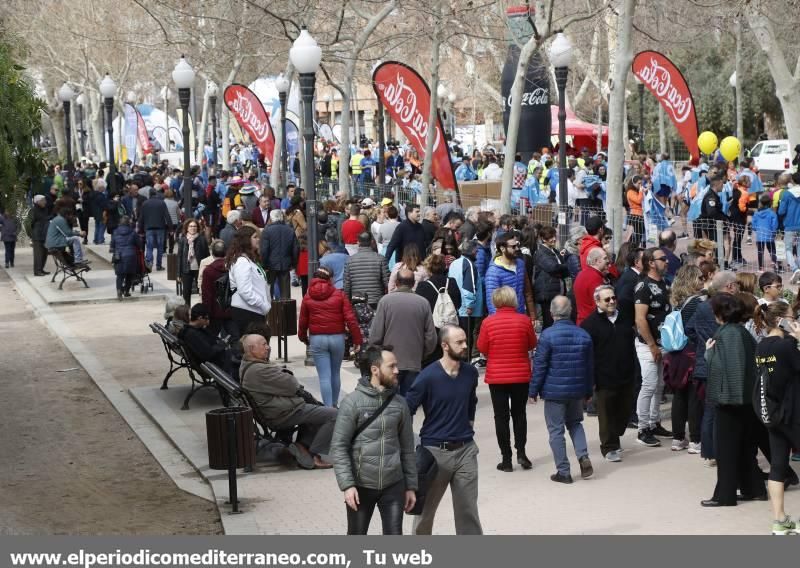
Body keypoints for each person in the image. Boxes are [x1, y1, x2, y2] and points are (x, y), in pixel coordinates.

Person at [330, 346, 418, 535]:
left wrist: (411, 486)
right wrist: (348, 485)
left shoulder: (400, 403)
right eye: (391, 366)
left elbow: (407, 449)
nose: (397, 371)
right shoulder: (352, 403)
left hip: (394, 484)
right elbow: (338, 447)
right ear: (374, 369)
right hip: (361, 485)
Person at [406, 325, 482, 535]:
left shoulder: (470, 373)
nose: (465, 346)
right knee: (425, 514)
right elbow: (406, 410)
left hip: (466, 450)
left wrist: (470, 422)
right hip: (434, 454)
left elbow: (471, 401)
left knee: (468, 511)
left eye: (465, 341)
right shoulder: (427, 377)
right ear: (444, 345)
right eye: (459, 342)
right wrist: (406, 447)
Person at [701, 294, 766, 507]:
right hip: (746, 400)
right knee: (746, 448)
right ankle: (754, 489)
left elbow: (725, 368)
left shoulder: (728, 334)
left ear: (720, 313)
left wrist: (709, 355)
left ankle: (725, 495)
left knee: (727, 450)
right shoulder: (741, 332)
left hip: (730, 400)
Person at [240, 333, 335, 470]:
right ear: (251, 349)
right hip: (283, 414)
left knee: (318, 410)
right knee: (334, 415)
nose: (268, 347)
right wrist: (284, 373)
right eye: (263, 344)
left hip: (278, 409)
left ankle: (302, 446)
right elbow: (292, 385)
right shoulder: (259, 370)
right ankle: (312, 454)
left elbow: (283, 386)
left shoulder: (248, 364)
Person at [529, 296, 594, 483]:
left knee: (556, 430)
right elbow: (590, 367)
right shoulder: (583, 334)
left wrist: (533, 390)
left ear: (551, 312)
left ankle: (564, 471)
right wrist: (588, 391)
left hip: (554, 391)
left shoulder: (547, 335)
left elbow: (540, 365)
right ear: (571, 311)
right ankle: (583, 456)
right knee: (575, 424)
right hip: (576, 389)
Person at [477, 286, 537, 471]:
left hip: (497, 377)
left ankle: (506, 458)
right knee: (519, 414)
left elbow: (482, 347)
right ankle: (522, 453)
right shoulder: (524, 320)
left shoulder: (488, 323)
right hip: (520, 375)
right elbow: (532, 343)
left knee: (500, 417)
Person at [754, 302, 800, 533]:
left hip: (772, 412)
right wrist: (797, 338)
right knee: (780, 465)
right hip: (792, 412)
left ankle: (779, 520)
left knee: (778, 466)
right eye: (794, 316)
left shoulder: (761, 346)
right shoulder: (787, 346)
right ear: (782, 319)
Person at [580, 285, 636, 462]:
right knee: (606, 414)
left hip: (626, 374)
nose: (612, 301)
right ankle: (609, 447)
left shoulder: (625, 318)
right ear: (597, 302)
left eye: (613, 298)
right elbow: (586, 354)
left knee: (624, 412)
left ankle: (616, 433)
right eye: (607, 299)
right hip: (604, 377)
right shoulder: (589, 324)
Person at [299, 267, 363, 407]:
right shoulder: (339, 294)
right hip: (337, 338)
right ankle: (334, 404)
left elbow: (303, 320)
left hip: (317, 339)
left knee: (324, 377)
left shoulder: (308, 296)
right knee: (335, 373)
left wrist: (303, 337)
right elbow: (350, 319)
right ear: (330, 279)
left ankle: (328, 408)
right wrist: (357, 339)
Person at [369, 268, 437, 396]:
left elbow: (376, 334)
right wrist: (423, 354)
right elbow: (431, 337)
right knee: (408, 404)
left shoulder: (385, 301)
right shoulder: (423, 303)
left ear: (396, 283)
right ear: (413, 283)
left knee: (390, 402)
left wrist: (376, 353)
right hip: (414, 361)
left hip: (389, 362)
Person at [634, 247, 673, 447]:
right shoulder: (644, 286)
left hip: (662, 342)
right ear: (651, 262)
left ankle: (654, 421)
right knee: (649, 385)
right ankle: (642, 428)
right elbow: (640, 319)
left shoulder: (664, 283)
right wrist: (651, 345)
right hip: (647, 344)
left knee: (659, 385)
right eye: (662, 259)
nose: (666, 261)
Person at [666, 265, 706, 453]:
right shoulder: (697, 303)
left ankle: (678, 437)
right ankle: (695, 439)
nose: (703, 280)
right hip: (691, 353)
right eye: (700, 278)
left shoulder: (677, 302)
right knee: (694, 396)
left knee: (679, 397)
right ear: (691, 280)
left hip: (675, 355)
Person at [416, 254, 462, 364]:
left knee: (434, 361)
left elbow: (420, 308)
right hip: (451, 326)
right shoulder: (452, 282)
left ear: (428, 267)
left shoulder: (423, 286)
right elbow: (458, 303)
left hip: (432, 328)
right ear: (444, 266)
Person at [226, 226, 270, 336]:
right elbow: (245, 291)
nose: (258, 239)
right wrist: (262, 304)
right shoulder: (242, 262)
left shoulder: (248, 259)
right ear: (246, 240)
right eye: (255, 237)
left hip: (254, 311)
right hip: (247, 312)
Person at [483, 232, 536, 319]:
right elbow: (492, 302)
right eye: (513, 247)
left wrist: (533, 316)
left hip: (520, 316)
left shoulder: (520, 264)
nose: (517, 248)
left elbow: (527, 292)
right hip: (504, 320)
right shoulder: (493, 272)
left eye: (517, 245)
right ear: (502, 249)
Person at [178, 303, 235, 377]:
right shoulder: (192, 334)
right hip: (213, 364)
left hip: (214, 360)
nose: (208, 322)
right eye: (207, 319)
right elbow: (208, 353)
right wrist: (222, 344)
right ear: (200, 318)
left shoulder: (195, 330)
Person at [200, 239, 237, 341]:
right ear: (226, 252)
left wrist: (206, 313)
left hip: (215, 312)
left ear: (212, 253)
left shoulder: (208, 270)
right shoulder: (233, 267)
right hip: (231, 310)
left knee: (210, 339)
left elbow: (207, 294)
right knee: (235, 337)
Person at [260, 209, 299, 300]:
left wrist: (264, 264)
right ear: (282, 217)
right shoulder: (290, 230)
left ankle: (270, 312)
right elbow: (296, 249)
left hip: (270, 265)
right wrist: (294, 263)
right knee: (285, 294)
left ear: (271, 218)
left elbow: (264, 250)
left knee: (269, 292)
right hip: (285, 264)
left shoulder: (267, 231)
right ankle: (285, 313)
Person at [343, 232, 390, 307]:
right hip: (377, 299)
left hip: (357, 300)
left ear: (358, 242)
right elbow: (387, 282)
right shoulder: (381, 259)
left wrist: (347, 302)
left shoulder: (350, 260)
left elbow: (347, 285)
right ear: (371, 241)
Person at [176, 219, 210, 306]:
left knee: (201, 291)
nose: (193, 228)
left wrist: (207, 270)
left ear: (197, 228)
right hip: (186, 269)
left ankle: (201, 312)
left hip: (199, 269)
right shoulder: (183, 240)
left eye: (195, 226)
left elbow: (207, 256)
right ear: (187, 228)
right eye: (191, 226)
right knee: (186, 292)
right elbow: (179, 257)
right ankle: (187, 312)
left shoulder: (202, 239)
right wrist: (178, 274)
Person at [573, 247, 610, 326]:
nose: (608, 261)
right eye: (605, 258)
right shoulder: (595, 278)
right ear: (596, 261)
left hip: (583, 322)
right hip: (593, 324)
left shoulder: (582, 274)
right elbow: (600, 306)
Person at [109, 216, 142, 300]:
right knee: (130, 275)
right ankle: (126, 291)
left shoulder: (115, 232)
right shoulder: (133, 232)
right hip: (130, 256)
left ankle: (119, 291)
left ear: (120, 223)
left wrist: (113, 249)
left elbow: (112, 245)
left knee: (119, 276)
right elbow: (139, 244)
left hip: (118, 256)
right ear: (128, 223)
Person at [137, 191, 170, 271]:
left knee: (149, 247)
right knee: (160, 247)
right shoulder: (162, 203)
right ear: (156, 195)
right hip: (160, 228)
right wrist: (171, 228)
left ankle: (149, 264)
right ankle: (158, 265)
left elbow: (141, 217)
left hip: (149, 228)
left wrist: (140, 229)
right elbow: (167, 216)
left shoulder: (145, 203)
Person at [614, 246, 644, 327]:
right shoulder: (633, 279)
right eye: (645, 259)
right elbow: (623, 300)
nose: (649, 262)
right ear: (637, 262)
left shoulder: (630, 274)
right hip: (628, 324)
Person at [752, 193, 779, 271]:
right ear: (770, 203)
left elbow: (753, 225)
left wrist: (757, 230)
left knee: (760, 252)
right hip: (770, 236)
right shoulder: (772, 213)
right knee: (772, 251)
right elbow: (774, 225)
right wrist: (774, 232)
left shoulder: (756, 213)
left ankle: (761, 268)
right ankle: (774, 265)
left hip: (760, 236)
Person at [31, 195, 51, 276]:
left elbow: (45, 219)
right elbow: (30, 223)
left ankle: (41, 269)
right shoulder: (33, 210)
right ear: (38, 201)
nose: (45, 202)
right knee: (38, 254)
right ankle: (37, 271)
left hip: (45, 234)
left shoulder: (45, 209)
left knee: (44, 253)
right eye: (43, 200)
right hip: (37, 235)